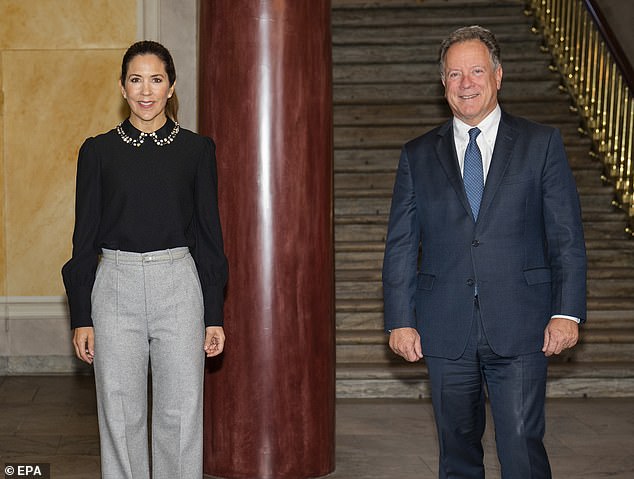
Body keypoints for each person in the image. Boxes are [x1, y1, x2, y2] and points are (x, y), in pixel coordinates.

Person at [382, 26, 586, 478]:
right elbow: (401, 244)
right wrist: (399, 319)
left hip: (523, 322)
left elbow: (566, 236)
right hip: (444, 326)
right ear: (443, 83)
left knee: (521, 448)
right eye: (454, 74)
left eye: (476, 71)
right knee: (456, 454)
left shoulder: (540, 144)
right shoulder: (417, 154)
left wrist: (567, 312)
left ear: (498, 75)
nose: (466, 83)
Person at [61, 40, 228, 479]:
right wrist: (82, 315)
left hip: (179, 283)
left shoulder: (197, 151)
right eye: (136, 80)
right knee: (119, 413)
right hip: (115, 286)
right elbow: (83, 239)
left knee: (181, 413)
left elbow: (209, 236)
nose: (146, 90)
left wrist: (214, 313)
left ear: (171, 87)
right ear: (122, 87)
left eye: (156, 80)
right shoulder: (97, 152)